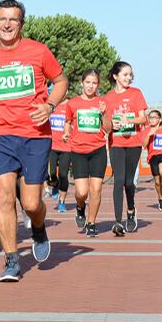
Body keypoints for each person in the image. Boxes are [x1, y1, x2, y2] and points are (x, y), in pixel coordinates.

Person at [0, 0, 68, 282]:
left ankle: (38, 227)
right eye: (2, 19)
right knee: (3, 196)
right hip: (0, 135)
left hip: (35, 137)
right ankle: (11, 260)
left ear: (21, 23)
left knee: (32, 203)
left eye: (13, 19)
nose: (7, 24)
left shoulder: (38, 51)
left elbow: (61, 81)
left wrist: (49, 106)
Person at [103, 61, 148, 236]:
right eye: (125, 74)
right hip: (116, 143)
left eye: (130, 75)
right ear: (115, 76)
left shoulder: (136, 94)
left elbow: (143, 118)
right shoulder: (107, 98)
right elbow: (106, 126)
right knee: (118, 180)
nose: (129, 78)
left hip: (134, 143)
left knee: (129, 182)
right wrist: (112, 124)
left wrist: (130, 121)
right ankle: (117, 222)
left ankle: (131, 210)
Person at [63, 70, 108, 237]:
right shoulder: (72, 103)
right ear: (82, 83)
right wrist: (66, 132)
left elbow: (109, 128)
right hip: (78, 151)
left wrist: (103, 114)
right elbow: (68, 122)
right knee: (82, 192)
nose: (91, 86)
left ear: (98, 85)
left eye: (94, 83)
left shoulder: (102, 102)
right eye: (88, 82)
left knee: (96, 189)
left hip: (98, 150)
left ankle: (91, 222)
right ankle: (80, 207)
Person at [48, 98, 72, 213]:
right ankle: (55, 184)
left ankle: (62, 202)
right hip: (52, 146)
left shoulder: (70, 105)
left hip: (66, 147)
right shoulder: (51, 105)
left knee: (63, 174)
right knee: (51, 173)